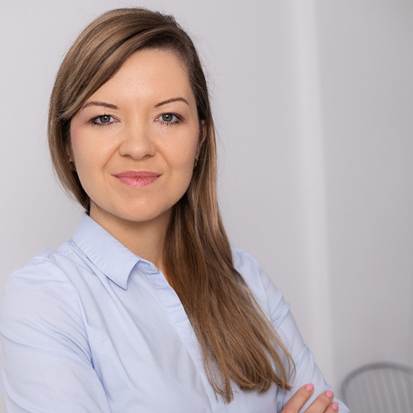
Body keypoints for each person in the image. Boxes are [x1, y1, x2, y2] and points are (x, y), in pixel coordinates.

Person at [0, 7, 350, 413]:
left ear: (200, 138)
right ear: (66, 143)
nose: (138, 147)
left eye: (167, 117)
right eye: (104, 118)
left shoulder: (246, 280)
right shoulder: (43, 300)